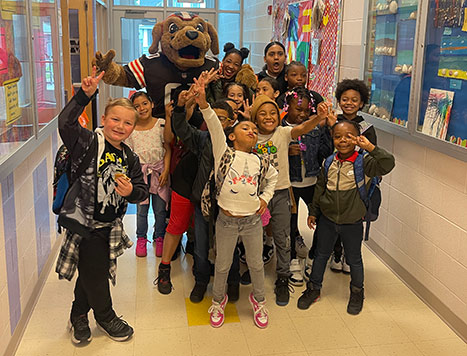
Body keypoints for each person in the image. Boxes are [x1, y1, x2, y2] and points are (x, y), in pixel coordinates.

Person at [56, 67, 148, 344]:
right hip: (84, 222)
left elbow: (140, 190)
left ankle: (78, 315)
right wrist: (83, 96)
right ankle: (106, 317)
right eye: (115, 120)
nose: (120, 127)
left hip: (109, 224)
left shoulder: (129, 157)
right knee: (95, 271)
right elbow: (65, 124)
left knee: (89, 270)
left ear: (133, 127)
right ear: (104, 119)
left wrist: (132, 190)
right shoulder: (86, 143)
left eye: (127, 123)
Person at [191, 75, 278, 329]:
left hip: (252, 222)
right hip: (226, 221)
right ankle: (218, 300)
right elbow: (215, 126)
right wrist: (203, 102)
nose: (251, 131)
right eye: (244, 128)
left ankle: (259, 300)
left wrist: (264, 198)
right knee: (222, 265)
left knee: (256, 264)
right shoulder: (224, 153)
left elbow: (273, 179)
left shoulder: (260, 161)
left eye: (254, 130)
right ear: (231, 137)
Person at [298, 120, 395, 314]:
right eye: (337, 136)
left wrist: (370, 147)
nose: (343, 140)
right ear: (332, 139)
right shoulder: (328, 162)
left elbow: (388, 163)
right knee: (321, 255)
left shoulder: (364, 163)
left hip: (352, 223)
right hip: (328, 220)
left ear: (357, 138)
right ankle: (314, 288)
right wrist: (313, 212)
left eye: (349, 136)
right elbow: (320, 189)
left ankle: (357, 292)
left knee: (354, 259)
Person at [250, 94, 329, 306]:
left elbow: (302, 129)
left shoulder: (283, 133)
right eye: (262, 114)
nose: (268, 117)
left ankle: (283, 278)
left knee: (283, 237)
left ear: (279, 115)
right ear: (255, 118)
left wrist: (318, 117)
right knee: (254, 237)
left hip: (281, 193)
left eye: (273, 113)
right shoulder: (250, 135)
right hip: (255, 196)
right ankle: (253, 271)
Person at [171, 86, 240, 303]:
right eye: (214, 118)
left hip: (230, 206)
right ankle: (201, 281)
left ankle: (232, 280)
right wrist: (181, 107)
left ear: (231, 122)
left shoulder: (237, 142)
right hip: (203, 202)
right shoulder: (202, 139)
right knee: (200, 245)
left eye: (223, 119)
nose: (218, 123)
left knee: (230, 246)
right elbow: (181, 128)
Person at [281, 87, 334, 286]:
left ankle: (313, 258)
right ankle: (293, 260)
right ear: (287, 108)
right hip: (290, 185)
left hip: (313, 183)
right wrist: (286, 151)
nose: (302, 114)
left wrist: (328, 129)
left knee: (321, 220)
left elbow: (326, 152)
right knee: (290, 224)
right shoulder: (280, 129)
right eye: (298, 109)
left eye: (306, 111)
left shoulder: (315, 128)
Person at [327, 79, 376, 273]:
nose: (349, 103)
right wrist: (331, 126)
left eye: (354, 100)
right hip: (335, 177)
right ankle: (337, 253)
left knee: (353, 221)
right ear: (339, 101)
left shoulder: (366, 128)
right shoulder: (332, 121)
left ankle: (350, 254)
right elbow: (326, 148)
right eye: (345, 99)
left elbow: (371, 154)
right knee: (335, 218)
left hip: (356, 181)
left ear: (361, 103)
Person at [126, 92, 171, 258]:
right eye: (136, 106)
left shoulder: (161, 124)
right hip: (140, 175)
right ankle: (141, 238)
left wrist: (165, 171)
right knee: (141, 209)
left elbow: (168, 147)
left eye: (144, 103)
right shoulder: (131, 129)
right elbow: (128, 155)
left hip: (160, 173)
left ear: (152, 104)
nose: (141, 108)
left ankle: (159, 237)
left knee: (160, 209)